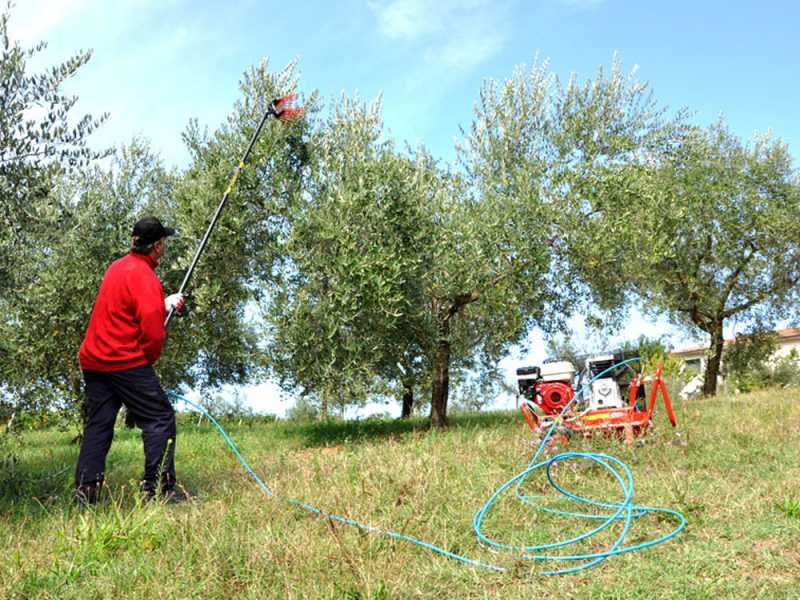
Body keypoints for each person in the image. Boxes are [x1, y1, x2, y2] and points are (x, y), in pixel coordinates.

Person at [74, 216, 187, 504]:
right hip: (123, 360)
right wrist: (148, 362)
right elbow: (152, 333)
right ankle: (158, 490)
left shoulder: (118, 267)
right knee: (160, 417)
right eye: (164, 244)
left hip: (94, 360)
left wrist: (164, 304)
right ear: (158, 246)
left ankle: (85, 492)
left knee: (98, 425)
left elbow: (128, 308)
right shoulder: (146, 277)